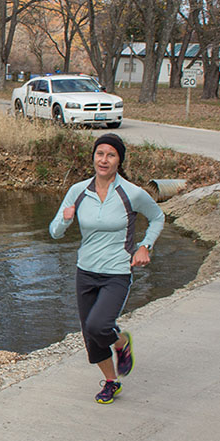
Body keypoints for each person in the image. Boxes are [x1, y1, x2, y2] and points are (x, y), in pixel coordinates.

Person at [49, 133, 165, 404]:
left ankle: (121, 342)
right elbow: (54, 232)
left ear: (118, 160)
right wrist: (65, 219)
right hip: (85, 271)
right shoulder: (78, 191)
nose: (104, 160)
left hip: (117, 271)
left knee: (99, 325)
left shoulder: (132, 193)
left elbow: (158, 217)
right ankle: (111, 382)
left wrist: (145, 246)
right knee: (90, 334)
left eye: (110, 155)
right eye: (100, 154)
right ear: (93, 157)